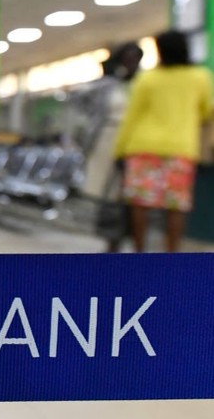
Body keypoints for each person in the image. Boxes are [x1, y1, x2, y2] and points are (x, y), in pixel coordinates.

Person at [114, 30, 214, 253]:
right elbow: (208, 111)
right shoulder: (200, 77)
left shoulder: (148, 78)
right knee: (176, 206)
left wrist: (119, 150)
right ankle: (171, 254)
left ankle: (140, 252)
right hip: (181, 148)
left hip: (142, 147)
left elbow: (132, 116)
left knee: (140, 203)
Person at [86, 42, 144, 252]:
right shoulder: (110, 86)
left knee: (137, 198)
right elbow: (84, 100)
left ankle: (138, 244)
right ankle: (112, 242)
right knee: (112, 195)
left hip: (139, 144)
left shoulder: (146, 83)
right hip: (109, 144)